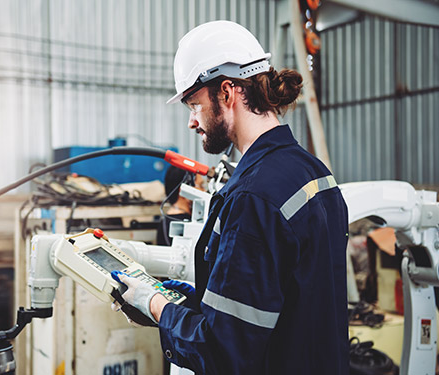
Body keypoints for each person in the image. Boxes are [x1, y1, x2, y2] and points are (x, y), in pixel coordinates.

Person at [109, 20, 350, 374]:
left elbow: (223, 351)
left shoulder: (252, 197)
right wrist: (190, 300)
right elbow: (280, 304)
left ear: (227, 92)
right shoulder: (315, 172)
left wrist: (156, 305)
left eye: (194, 105)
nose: (193, 122)